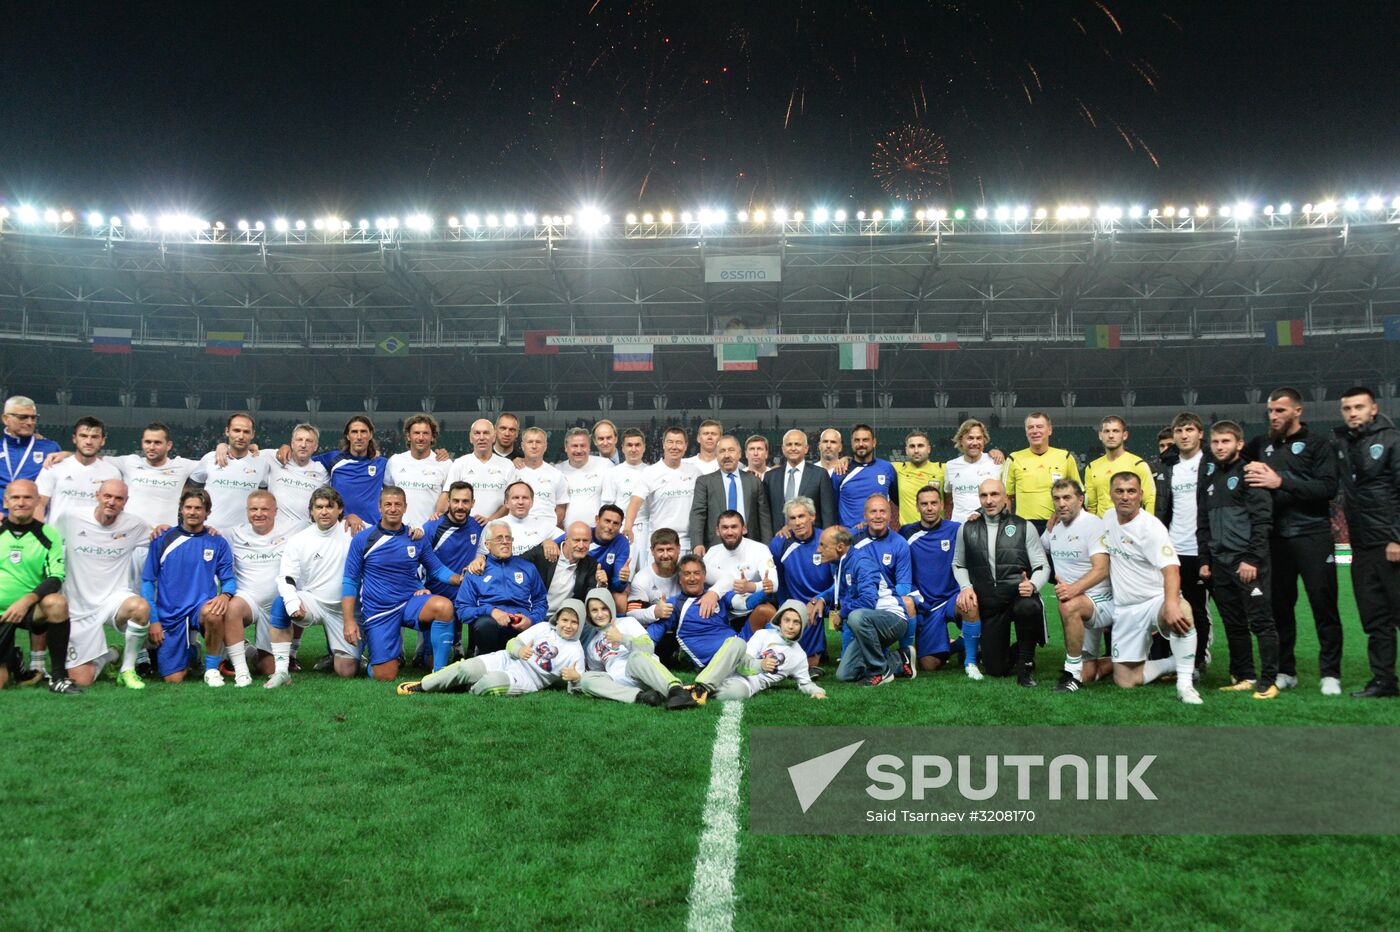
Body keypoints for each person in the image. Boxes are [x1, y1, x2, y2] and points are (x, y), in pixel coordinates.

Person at [1243, 387, 1342, 694]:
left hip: (1312, 535)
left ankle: (1330, 673)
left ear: (1297, 411)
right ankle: (1286, 669)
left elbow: (1327, 488)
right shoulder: (1261, 445)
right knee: (1280, 607)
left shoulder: (1318, 444)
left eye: (1280, 411)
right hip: (1276, 539)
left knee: (1323, 604)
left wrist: (1280, 481)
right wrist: (1248, 466)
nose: (1273, 416)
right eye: (1270, 411)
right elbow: (1235, 461)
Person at [1102, 472, 1203, 704]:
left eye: (1131, 491)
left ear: (1141, 495)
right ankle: (1173, 663)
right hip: (1125, 609)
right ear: (1111, 494)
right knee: (1126, 680)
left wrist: (1170, 603)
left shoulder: (1151, 527)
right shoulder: (1107, 519)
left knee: (1183, 611)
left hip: (1154, 601)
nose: (1125, 497)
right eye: (1119, 491)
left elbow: (1171, 569)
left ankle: (1185, 685)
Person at [340, 486, 460, 680]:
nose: (393, 509)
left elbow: (437, 569)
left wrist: (459, 579)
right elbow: (350, 581)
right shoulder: (363, 539)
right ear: (379, 507)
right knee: (385, 675)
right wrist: (349, 621)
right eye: (388, 504)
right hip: (380, 609)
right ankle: (376, 657)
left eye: (398, 504)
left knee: (444, 606)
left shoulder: (416, 538)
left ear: (405, 508)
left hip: (410, 601)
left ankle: (439, 673)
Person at [1199, 421, 1279, 699]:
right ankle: (1244, 675)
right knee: (1233, 624)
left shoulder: (1250, 473)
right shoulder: (1210, 478)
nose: (1220, 447)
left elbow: (1262, 521)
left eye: (1226, 441)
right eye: (1216, 442)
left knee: (1261, 622)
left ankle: (1269, 680)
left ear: (1239, 444)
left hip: (1246, 563)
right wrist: (1205, 559)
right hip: (1220, 564)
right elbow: (1204, 523)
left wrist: (1252, 559)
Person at [1334, 386, 1400, 699]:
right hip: (1362, 546)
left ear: (1373, 409)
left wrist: (1397, 538)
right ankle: (1384, 681)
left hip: (1391, 544)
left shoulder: (1392, 440)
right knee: (1375, 618)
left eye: (1358, 407)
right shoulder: (1344, 443)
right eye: (1347, 408)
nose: (1352, 413)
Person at [55, 479, 152, 689]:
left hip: (113, 599)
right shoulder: (71, 518)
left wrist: (165, 528)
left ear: (126, 502)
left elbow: (162, 538)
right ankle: (111, 655)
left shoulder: (135, 525)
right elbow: (46, 540)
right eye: (107, 496)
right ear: (97, 496)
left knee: (140, 607)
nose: (112, 502)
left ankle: (127, 669)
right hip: (77, 607)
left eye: (118, 498)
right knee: (82, 680)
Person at [952, 479, 1048, 684]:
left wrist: (1032, 585)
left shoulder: (1024, 526)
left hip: (1017, 596)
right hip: (990, 603)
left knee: (1028, 606)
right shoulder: (967, 529)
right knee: (996, 668)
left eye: (994, 494)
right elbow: (958, 564)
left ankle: (1026, 663)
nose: (989, 500)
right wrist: (966, 587)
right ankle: (1011, 651)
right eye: (984, 495)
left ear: (1005, 497)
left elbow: (1042, 566)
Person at [141, 488, 239, 686]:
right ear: (181, 510)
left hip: (200, 609)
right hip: (171, 614)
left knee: (214, 613)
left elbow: (229, 579)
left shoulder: (217, 541)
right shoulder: (162, 538)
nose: (193, 512)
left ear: (207, 512)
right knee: (173, 679)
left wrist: (225, 595)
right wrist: (154, 620)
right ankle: (192, 653)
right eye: (188, 507)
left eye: (198, 508)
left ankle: (211, 669)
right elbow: (148, 582)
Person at [399, 598, 585, 698]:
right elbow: (513, 643)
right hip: (508, 658)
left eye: (574, 622)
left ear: (581, 624)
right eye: (565, 620)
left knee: (488, 685)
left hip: (527, 678)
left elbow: (577, 687)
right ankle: (423, 686)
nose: (568, 626)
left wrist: (575, 679)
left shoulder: (575, 650)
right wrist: (519, 650)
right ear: (558, 619)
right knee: (465, 668)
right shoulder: (544, 627)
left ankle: (462, 687)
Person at [266, 486, 357, 685]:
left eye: (329, 507)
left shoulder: (354, 531)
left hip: (345, 610)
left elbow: (385, 529)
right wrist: (292, 602)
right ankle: (282, 671)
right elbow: (286, 577)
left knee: (346, 671)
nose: (324, 512)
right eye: (319, 507)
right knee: (281, 604)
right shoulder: (299, 540)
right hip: (313, 602)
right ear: (311, 511)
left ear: (340, 509)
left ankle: (342, 654)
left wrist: (414, 531)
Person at [0, 479, 77, 693]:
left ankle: (59, 678)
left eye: (27, 497)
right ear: (6, 502)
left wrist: (25, 601)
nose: (21, 502)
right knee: (1, 683)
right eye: (15, 497)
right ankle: (14, 660)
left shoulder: (48, 534)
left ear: (37, 501)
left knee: (57, 603)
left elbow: (56, 578)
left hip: (28, 611)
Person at [807, 526, 907, 686]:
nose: (818, 550)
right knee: (844, 674)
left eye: (823, 545)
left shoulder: (861, 562)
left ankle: (880, 671)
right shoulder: (841, 562)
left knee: (855, 616)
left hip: (894, 619)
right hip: (872, 623)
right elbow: (838, 588)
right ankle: (900, 659)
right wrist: (821, 599)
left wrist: (842, 614)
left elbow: (868, 601)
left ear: (840, 547)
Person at [564, 587, 696, 709]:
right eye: (594, 610)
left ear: (611, 607)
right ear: (589, 614)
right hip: (621, 682)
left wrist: (622, 638)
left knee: (636, 656)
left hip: (643, 671)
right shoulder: (592, 645)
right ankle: (642, 697)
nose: (599, 614)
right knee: (587, 679)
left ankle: (677, 691)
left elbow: (648, 648)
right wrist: (577, 679)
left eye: (604, 608)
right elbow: (600, 676)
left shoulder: (628, 622)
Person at [1040, 479, 1112, 690]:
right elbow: (1036, 550)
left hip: (1102, 600)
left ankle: (1070, 673)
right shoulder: (1054, 528)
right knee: (1088, 673)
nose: (1061, 504)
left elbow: (1101, 569)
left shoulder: (1093, 524)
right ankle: (1120, 661)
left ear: (1080, 500)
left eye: (1067, 498)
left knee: (1069, 604)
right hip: (1079, 606)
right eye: (1057, 498)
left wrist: (1073, 589)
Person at [1155, 412, 1213, 673]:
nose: (1184, 435)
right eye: (1179, 431)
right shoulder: (1169, 467)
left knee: (1199, 608)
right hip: (1174, 549)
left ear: (1200, 433)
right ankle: (1176, 659)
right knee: (1172, 603)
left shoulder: (1211, 464)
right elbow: (1163, 509)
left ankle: (1199, 659)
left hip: (1201, 549)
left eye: (1189, 430)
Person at [687, 600, 827, 703]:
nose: (790, 626)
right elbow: (742, 664)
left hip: (749, 684)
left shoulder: (799, 655)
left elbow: (805, 683)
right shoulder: (763, 634)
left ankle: (698, 691)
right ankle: (702, 686)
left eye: (796, 622)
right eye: (787, 620)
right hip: (733, 669)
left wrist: (817, 691)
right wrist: (761, 665)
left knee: (736, 693)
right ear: (780, 621)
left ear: (802, 625)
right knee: (737, 643)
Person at [411, 481, 484, 668]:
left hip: (463, 594)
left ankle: (464, 647)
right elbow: (414, 561)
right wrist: (419, 587)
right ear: (448, 502)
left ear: (473, 503)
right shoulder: (432, 527)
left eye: (465, 502)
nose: (460, 506)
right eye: (456, 501)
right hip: (436, 596)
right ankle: (425, 651)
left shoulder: (478, 526)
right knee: (429, 663)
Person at [226, 491, 295, 686]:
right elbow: (202, 532)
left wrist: (350, 517)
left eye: (265, 509)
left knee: (268, 668)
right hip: (248, 599)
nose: (259, 514)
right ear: (247, 511)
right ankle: (241, 671)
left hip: (275, 606)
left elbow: (325, 523)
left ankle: (248, 650)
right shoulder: (233, 534)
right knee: (232, 608)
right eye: (253, 509)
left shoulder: (293, 529)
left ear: (275, 511)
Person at [900, 484, 970, 676]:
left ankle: (973, 651)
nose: (929, 508)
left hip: (952, 599)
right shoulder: (906, 533)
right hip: (926, 605)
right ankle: (957, 645)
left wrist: (977, 518)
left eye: (933, 503)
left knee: (971, 603)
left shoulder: (957, 529)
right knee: (929, 665)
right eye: (924, 504)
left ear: (941, 505)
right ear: (917, 507)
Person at [648, 554, 760, 671]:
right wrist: (643, 652)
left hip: (737, 645)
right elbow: (653, 635)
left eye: (696, 573)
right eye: (687, 574)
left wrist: (765, 590)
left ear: (704, 577)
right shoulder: (674, 604)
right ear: (680, 579)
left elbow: (746, 603)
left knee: (764, 611)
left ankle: (760, 658)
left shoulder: (717, 594)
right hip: (713, 662)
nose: (692, 578)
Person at [453, 521, 547, 656]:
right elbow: (462, 610)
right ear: (487, 545)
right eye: (499, 538)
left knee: (545, 626)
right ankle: (488, 659)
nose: (505, 542)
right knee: (484, 625)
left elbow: (541, 602)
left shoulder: (527, 568)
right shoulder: (476, 571)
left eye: (508, 538)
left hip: (521, 624)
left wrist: (531, 620)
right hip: (491, 625)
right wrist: (491, 611)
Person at [769, 497, 835, 673]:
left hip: (828, 602)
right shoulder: (779, 543)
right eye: (792, 518)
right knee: (807, 662)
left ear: (812, 517)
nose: (797, 522)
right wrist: (785, 607)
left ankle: (850, 657)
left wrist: (821, 598)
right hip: (799, 605)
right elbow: (779, 580)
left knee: (810, 663)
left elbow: (840, 580)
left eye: (801, 516)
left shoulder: (827, 539)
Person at [851, 494, 915, 674]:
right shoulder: (853, 541)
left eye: (882, 511)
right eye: (873, 512)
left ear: (889, 515)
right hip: (862, 602)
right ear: (865, 516)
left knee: (908, 601)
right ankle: (891, 660)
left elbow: (903, 585)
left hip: (887, 604)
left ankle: (905, 654)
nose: (878, 516)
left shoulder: (900, 543)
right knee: (848, 673)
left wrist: (876, 601)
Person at [307, 416, 390, 533]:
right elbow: (302, 460)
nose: (359, 437)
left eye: (363, 432)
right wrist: (287, 449)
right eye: (354, 432)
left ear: (370, 435)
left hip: (373, 530)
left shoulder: (382, 463)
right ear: (347, 436)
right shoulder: (333, 459)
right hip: (341, 529)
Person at [691, 435, 772, 553]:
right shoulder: (704, 482)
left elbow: (763, 518)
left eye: (731, 450)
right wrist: (697, 543)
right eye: (722, 451)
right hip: (716, 547)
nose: (727, 455)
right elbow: (698, 514)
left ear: (739, 454)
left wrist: (767, 547)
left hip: (750, 546)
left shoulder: (754, 481)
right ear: (716, 456)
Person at [625, 427, 700, 553]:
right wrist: (628, 527)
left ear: (686, 446)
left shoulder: (695, 472)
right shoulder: (650, 472)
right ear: (663, 444)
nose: (674, 447)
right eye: (670, 442)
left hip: (688, 542)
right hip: (660, 542)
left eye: (679, 442)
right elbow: (635, 501)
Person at [191, 412, 271, 530]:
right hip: (210, 532)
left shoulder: (262, 463)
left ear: (253, 434)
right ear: (227, 431)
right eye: (236, 430)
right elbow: (191, 487)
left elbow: (263, 493)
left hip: (245, 535)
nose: (241, 436)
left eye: (246, 432)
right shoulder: (210, 458)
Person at [702, 510, 778, 633]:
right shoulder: (712, 553)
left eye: (734, 527)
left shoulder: (760, 549)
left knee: (767, 610)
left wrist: (751, 586)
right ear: (717, 531)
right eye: (725, 527)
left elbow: (774, 585)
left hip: (752, 611)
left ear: (744, 529)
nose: (730, 532)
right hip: (721, 613)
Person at [1003, 411, 1080, 533]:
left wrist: (1067, 516)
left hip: (1059, 523)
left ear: (1049, 430)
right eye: (1030, 427)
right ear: (1026, 432)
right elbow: (1005, 496)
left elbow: (1079, 493)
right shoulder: (1013, 459)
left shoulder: (1065, 457)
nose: (1035, 431)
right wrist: (1006, 526)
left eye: (1039, 426)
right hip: (1024, 526)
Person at [36, 416, 120, 525]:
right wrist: (38, 535)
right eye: (83, 436)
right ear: (74, 438)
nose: (89, 441)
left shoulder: (112, 473)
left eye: (94, 437)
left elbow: (116, 510)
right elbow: (38, 503)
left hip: (94, 539)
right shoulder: (53, 467)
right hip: (57, 539)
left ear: (103, 440)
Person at [517, 521, 608, 619]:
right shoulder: (545, 551)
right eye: (576, 540)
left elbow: (591, 599)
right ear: (566, 539)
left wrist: (601, 586)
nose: (581, 546)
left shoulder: (591, 564)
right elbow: (516, 563)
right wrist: (543, 542)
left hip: (563, 620)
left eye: (585, 541)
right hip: (533, 614)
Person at [439, 418, 515, 523]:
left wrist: (490, 520)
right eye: (477, 433)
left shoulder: (507, 465)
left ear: (494, 437)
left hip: (497, 528)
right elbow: (446, 496)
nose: (482, 437)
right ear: (471, 438)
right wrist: (438, 516)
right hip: (464, 529)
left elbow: (510, 501)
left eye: (486, 433)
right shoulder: (460, 463)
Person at [763, 428, 837, 533]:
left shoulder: (820, 475)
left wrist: (825, 541)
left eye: (797, 444)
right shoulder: (770, 477)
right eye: (789, 445)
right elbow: (766, 515)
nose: (793, 448)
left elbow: (827, 514)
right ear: (783, 449)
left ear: (806, 448)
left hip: (811, 542)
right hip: (780, 540)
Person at [385, 414, 451, 529]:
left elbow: (450, 499)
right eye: (416, 433)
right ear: (408, 436)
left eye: (425, 433)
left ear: (432, 437)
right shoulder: (395, 461)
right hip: (400, 533)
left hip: (431, 532)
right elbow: (387, 492)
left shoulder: (445, 464)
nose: (421, 437)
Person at [1083, 416, 1156, 518]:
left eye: (1116, 431)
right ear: (1100, 435)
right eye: (1107, 431)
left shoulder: (1138, 465)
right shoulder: (1091, 467)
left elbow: (1150, 500)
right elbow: (1091, 506)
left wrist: (1147, 527)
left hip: (1131, 529)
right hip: (1102, 530)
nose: (1111, 435)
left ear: (1124, 435)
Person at [262, 423, 329, 530]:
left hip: (305, 534)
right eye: (299, 440)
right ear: (292, 444)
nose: (303, 445)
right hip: (275, 534)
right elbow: (247, 453)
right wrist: (224, 447)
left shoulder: (321, 471)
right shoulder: (273, 457)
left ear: (316, 447)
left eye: (309, 441)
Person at [0, 395, 62, 511]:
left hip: (35, 521)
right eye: (23, 417)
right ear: (6, 419)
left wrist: (67, 454)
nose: (30, 422)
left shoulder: (50, 448)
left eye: (33, 418)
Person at [833, 424, 899, 529]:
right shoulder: (841, 470)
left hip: (880, 537)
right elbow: (832, 507)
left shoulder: (887, 468)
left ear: (874, 443)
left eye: (865, 440)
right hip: (850, 538)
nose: (861, 444)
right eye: (857, 440)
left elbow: (899, 501)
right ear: (852, 443)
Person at [600, 429, 649, 566]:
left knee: (646, 572)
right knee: (622, 574)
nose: (633, 449)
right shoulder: (613, 473)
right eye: (629, 445)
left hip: (647, 528)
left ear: (644, 447)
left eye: (637, 445)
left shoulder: (652, 472)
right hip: (621, 529)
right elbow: (607, 507)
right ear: (622, 447)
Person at [942, 419, 1002, 523]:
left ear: (984, 440)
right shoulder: (950, 466)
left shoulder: (995, 463)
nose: (975, 442)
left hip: (987, 526)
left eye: (979, 438)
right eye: (970, 438)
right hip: (958, 527)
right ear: (961, 440)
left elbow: (1003, 498)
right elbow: (948, 498)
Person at [514, 427, 569, 525]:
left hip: (548, 533)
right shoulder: (513, 472)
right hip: (518, 531)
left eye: (538, 442)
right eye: (530, 442)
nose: (534, 446)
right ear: (522, 446)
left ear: (545, 446)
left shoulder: (557, 475)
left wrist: (548, 531)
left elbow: (561, 510)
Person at [557, 427, 609, 528]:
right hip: (569, 535)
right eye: (574, 446)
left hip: (600, 533)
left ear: (589, 447)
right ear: (566, 447)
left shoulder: (605, 465)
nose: (579, 450)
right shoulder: (557, 471)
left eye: (583, 446)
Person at [496, 481, 563, 554]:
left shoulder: (543, 524)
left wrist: (551, 542)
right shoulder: (494, 526)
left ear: (531, 502)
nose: (520, 502)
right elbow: (484, 555)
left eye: (525, 498)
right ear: (506, 503)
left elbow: (568, 539)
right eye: (515, 498)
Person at [893, 430, 943, 525]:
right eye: (912, 446)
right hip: (908, 533)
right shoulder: (896, 469)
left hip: (936, 531)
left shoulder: (943, 469)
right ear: (906, 450)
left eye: (920, 446)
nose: (916, 450)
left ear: (929, 449)